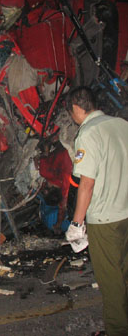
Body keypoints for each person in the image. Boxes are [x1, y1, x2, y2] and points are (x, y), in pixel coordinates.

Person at [65, 86, 128, 336]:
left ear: (78, 108)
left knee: (111, 280)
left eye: (71, 112)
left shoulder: (88, 133)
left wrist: (77, 223)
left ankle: (118, 330)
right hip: (126, 212)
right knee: (123, 273)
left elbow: (86, 184)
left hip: (105, 219)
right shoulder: (121, 124)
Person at [37, 135, 73, 234]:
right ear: (47, 190)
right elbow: (45, 151)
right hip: (65, 146)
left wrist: (58, 225)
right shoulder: (45, 172)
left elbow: (62, 207)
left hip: (69, 147)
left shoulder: (65, 185)